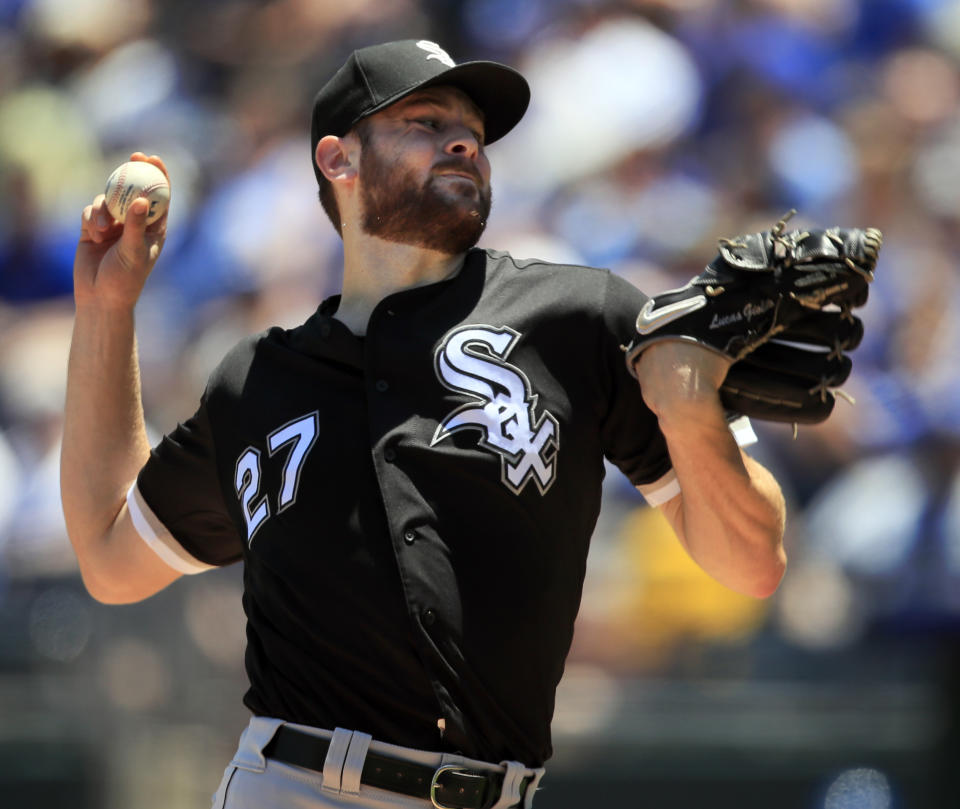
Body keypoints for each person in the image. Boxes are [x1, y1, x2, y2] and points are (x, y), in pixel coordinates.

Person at [62, 40, 786, 809]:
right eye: (425, 119)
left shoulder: (582, 318)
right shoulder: (262, 379)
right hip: (299, 787)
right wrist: (107, 310)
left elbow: (753, 563)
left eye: (473, 129)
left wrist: (692, 415)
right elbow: (112, 557)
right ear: (338, 159)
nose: (464, 140)